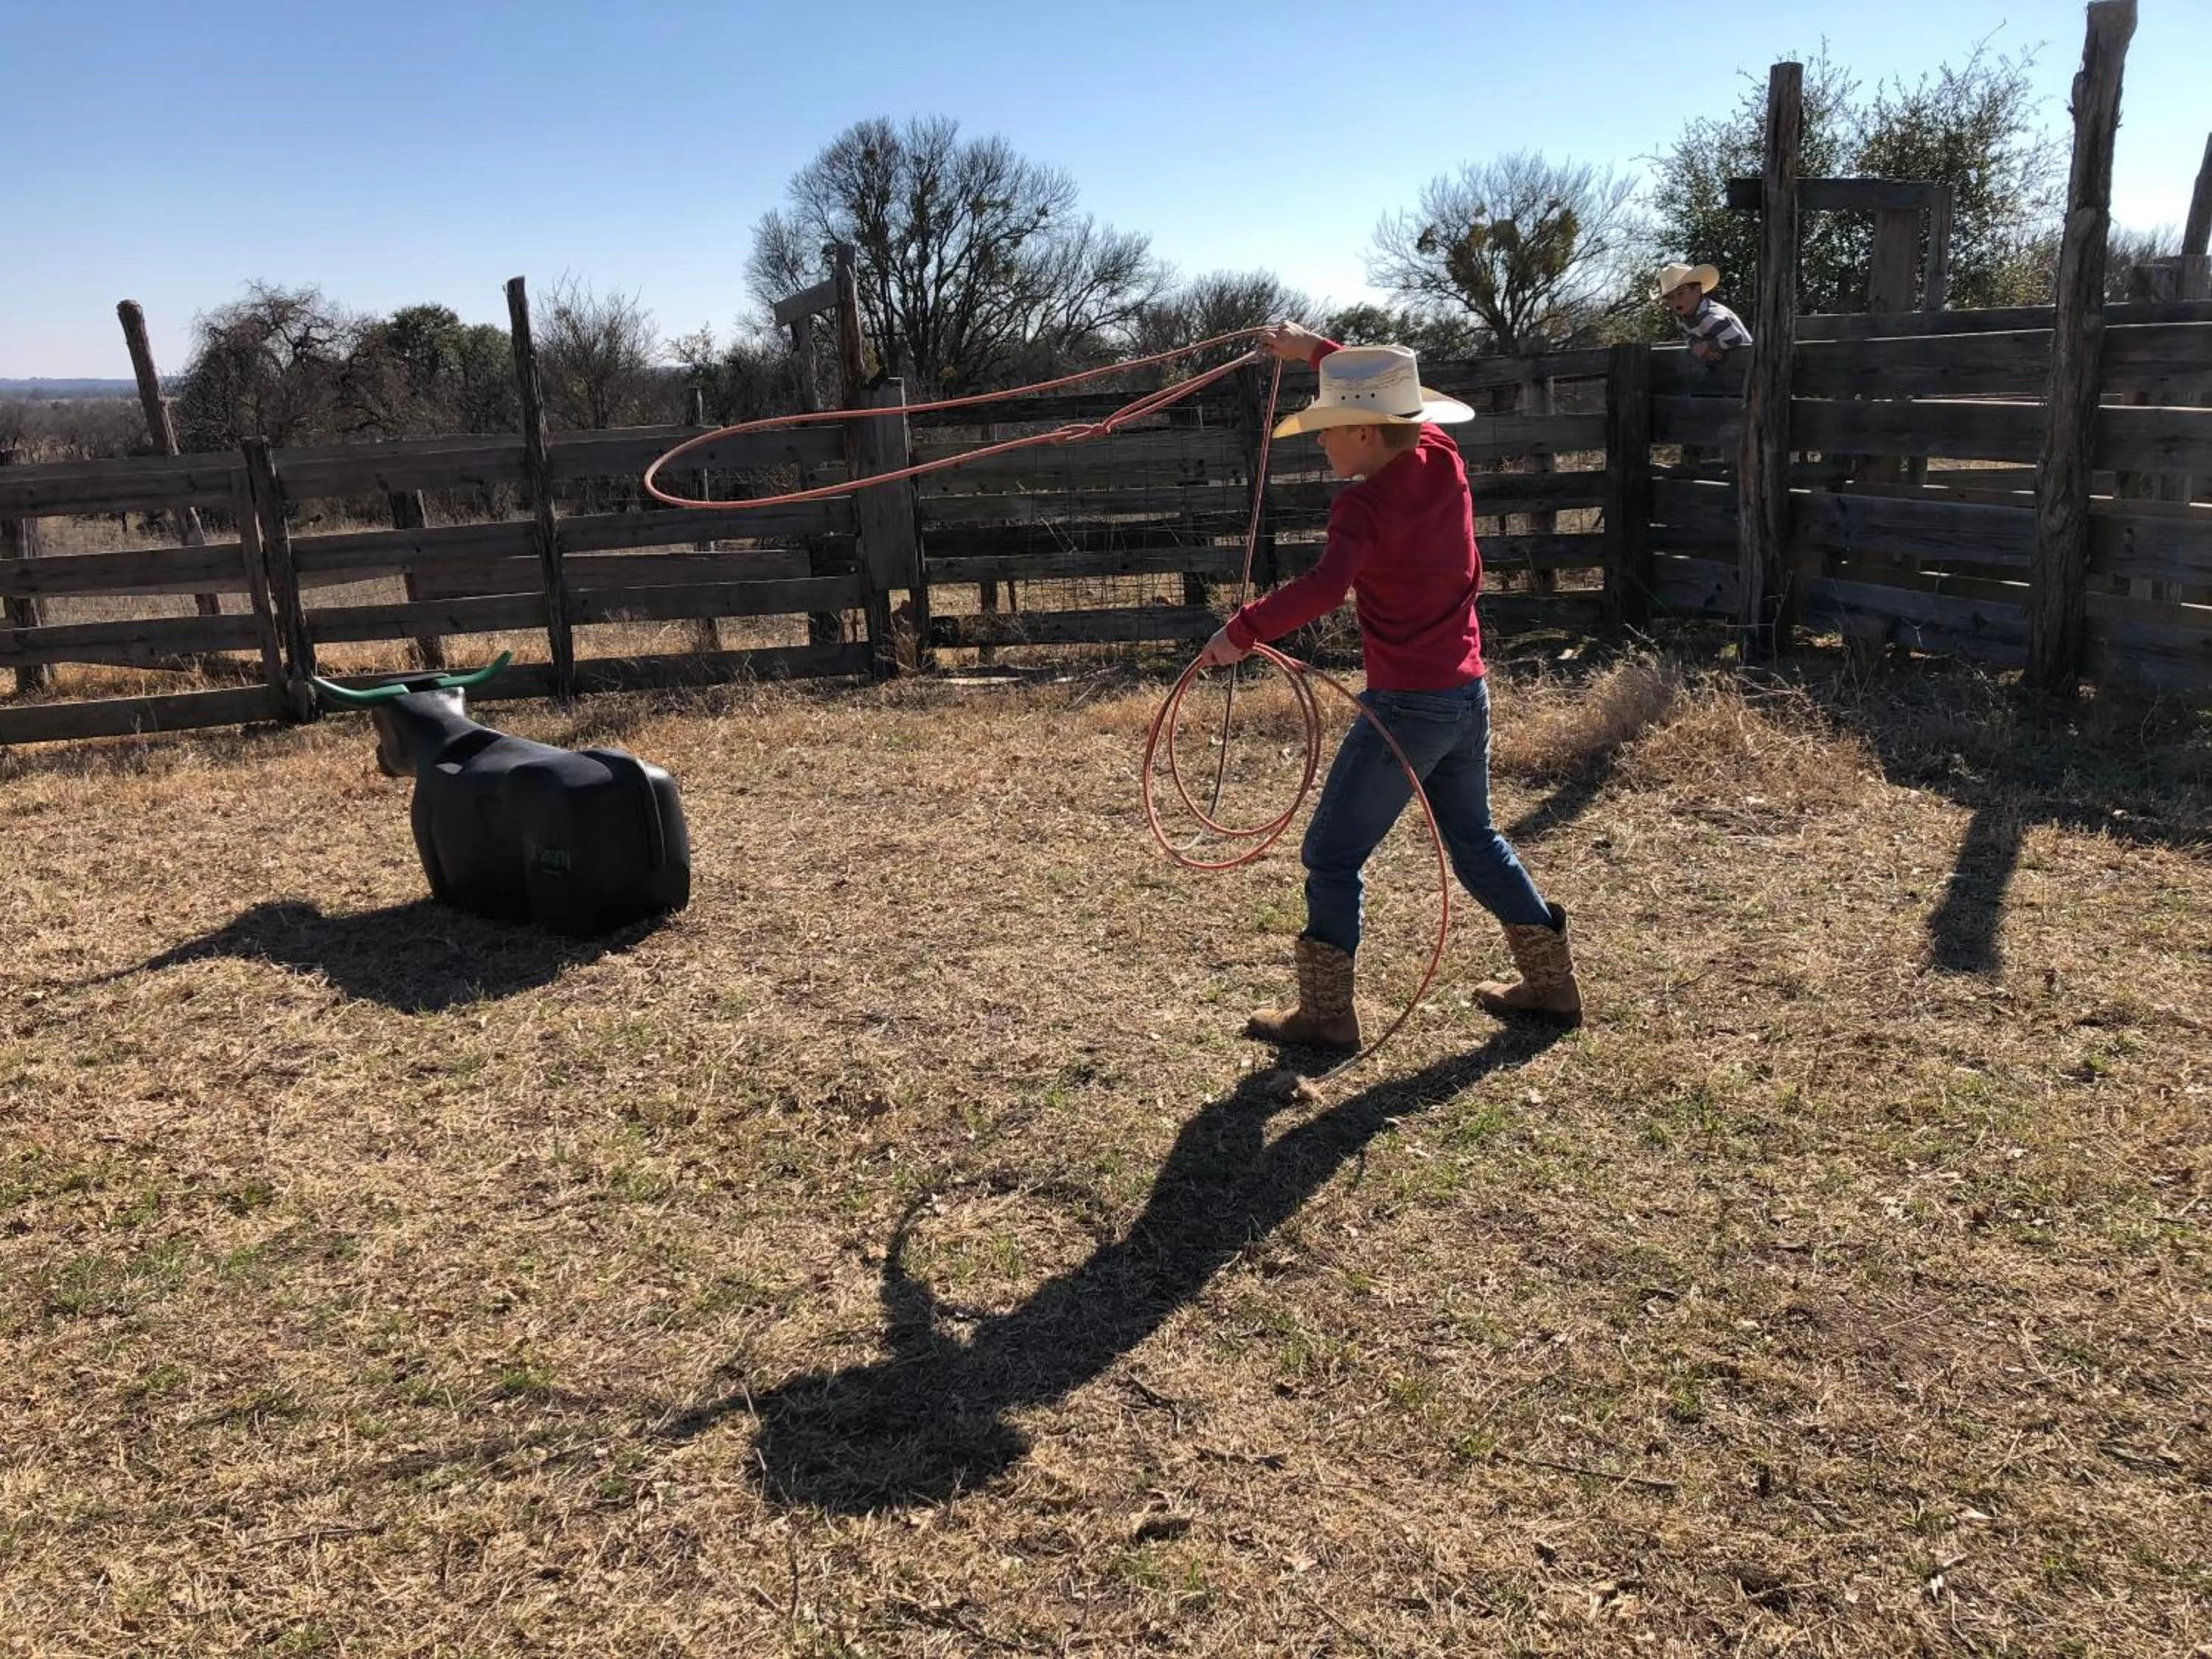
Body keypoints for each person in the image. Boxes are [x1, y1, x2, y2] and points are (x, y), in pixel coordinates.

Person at [1194, 323, 1582, 1048]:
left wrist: (1240, 631)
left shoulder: (1362, 508)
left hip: (1407, 707)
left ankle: (1326, 1014)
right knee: (1474, 838)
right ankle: (1553, 984)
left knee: (1331, 855)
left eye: (1329, 428)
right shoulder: (1441, 455)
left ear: (1367, 435)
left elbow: (1321, 589)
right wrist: (1309, 346)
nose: (1320, 441)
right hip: (1467, 696)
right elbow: (1376, 385)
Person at [1655, 262, 1752, 364]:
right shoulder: (1683, 320)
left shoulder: (1710, 315)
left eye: (1681, 293)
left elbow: (1735, 339)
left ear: (1697, 291)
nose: (1676, 301)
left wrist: (1709, 346)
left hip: (1747, 363)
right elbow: (1689, 338)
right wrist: (1697, 347)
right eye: (1670, 298)